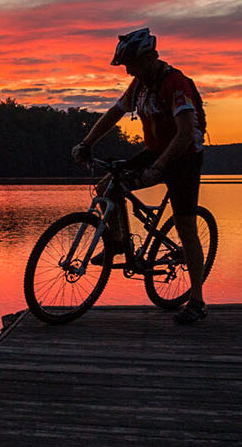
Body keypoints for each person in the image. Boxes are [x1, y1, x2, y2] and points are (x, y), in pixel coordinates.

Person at [72, 27, 208, 325]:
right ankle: (119, 241)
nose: (127, 71)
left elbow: (185, 133)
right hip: (156, 149)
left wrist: (160, 167)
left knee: (186, 227)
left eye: (130, 64)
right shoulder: (140, 85)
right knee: (108, 185)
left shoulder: (175, 84)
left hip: (184, 155)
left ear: (147, 58)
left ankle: (196, 300)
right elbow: (113, 113)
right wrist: (87, 143)